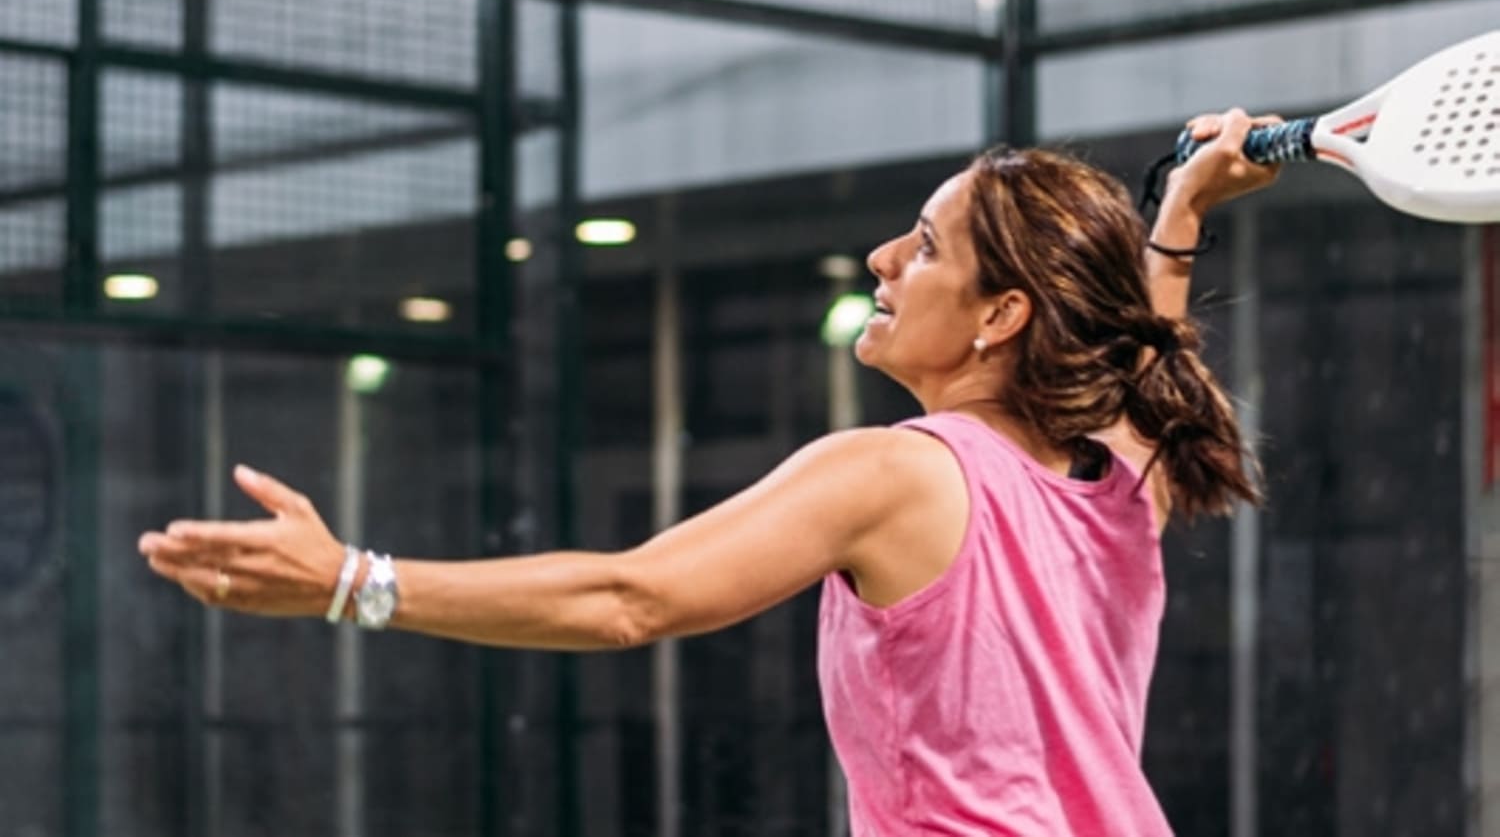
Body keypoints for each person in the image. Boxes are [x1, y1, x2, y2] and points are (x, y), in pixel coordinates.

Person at [139, 109, 1279, 836]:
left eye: (927, 246)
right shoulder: (1125, 480)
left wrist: (352, 580)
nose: (885, 259)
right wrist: (1175, 219)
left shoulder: (892, 475)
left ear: (1001, 317)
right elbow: (1147, 355)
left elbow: (629, 599)